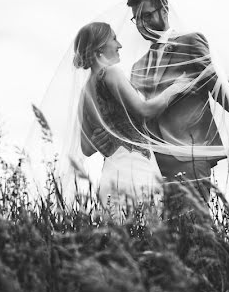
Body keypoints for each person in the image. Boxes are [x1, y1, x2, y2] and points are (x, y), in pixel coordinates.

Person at [88, 0, 229, 203]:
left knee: (196, 228)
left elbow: (222, 90)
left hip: (189, 155)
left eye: (147, 15)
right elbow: (136, 116)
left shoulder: (190, 43)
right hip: (151, 164)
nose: (142, 25)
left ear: (165, 11)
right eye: (137, 19)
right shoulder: (137, 67)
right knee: (164, 235)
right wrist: (108, 136)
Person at [73, 21, 190, 208]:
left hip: (110, 177)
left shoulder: (84, 93)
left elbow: (86, 148)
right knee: (147, 233)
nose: (119, 45)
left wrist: (106, 133)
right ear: (99, 47)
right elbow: (144, 111)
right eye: (114, 38)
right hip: (136, 171)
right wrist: (176, 88)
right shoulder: (111, 73)